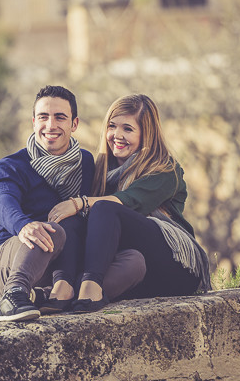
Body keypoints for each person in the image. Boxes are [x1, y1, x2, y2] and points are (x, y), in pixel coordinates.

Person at [0, 85, 146, 321]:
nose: (50, 125)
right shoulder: (10, 167)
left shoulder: (87, 164)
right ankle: (14, 295)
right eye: (43, 117)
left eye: (60, 117)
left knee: (134, 260)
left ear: (74, 124)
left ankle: (57, 297)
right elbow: (2, 203)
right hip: (16, 259)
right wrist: (24, 226)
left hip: (66, 269)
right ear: (33, 122)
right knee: (53, 231)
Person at [47, 93, 211, 313]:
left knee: (104, 208)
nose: (117, 135)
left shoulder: (164, 169)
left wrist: (79, 203)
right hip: (138, 272)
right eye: (112, 126)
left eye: (128, 129)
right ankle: (62, 288)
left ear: (147, 135)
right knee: (74, 219)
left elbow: (131, 200)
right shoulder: (102, 172)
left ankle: (90, 291)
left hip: (175, 268)